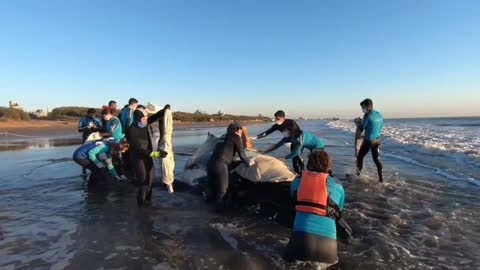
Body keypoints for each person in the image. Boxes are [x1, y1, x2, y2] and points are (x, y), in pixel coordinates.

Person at [284, 150, 345, 264]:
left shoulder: (297, 181)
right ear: (329, 165)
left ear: (308, 164)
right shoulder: (338, 186)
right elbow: (340, 214)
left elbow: (293, 200)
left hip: (301, 245)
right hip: (329, 251)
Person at [207, 121, 255, 211]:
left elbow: (223, 150)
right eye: (241, 130)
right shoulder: (235, 137)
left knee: (212, 189)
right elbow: (242, 154)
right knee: (222, 191)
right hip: (220, 165)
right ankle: (218, 216)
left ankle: (206, 210)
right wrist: (249, 163)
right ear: (238, 130)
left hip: (210, 164)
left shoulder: (223, 137)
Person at [125, 106, 166, 206]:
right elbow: (139, 149)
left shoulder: (145, 123)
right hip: (138, 159)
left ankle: (148, 203)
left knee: (150, 182)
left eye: (146, 118)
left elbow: (155, 116)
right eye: (143, 119)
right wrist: (157, 154)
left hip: (148, 157)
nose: (145, 120)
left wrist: (165, 110)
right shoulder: (131, 130)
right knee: (143, 183)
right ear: (137, 118)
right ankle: (141, 207)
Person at [356, 98, 384, 182]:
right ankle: (381, 180)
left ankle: (357, 175)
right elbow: (379, 128)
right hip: (377, 140)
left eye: (363, 107)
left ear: (367, 107)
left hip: (369, 141)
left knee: (360, 157)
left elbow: (361, 127)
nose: (362, 109)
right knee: (376, 159)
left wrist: (357, 122)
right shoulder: (380, 115)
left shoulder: (367, 115)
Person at [77, 108, 102, 175]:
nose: (93, 116)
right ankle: (84, 171)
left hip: (95, 138)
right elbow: (79, 130)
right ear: (88, 114)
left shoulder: (97, 120)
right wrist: (87, 127)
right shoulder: (83, 119)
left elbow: (101, 129)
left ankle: (96, 169)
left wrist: (95, 127)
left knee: (95, 153)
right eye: (91, 114)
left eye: (94, 114)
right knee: (84, 153)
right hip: (86, 138)